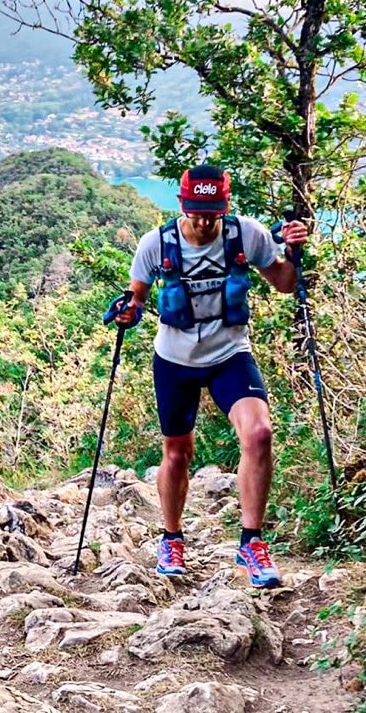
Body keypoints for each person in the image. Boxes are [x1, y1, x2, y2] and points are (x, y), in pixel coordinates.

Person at [113, 164, 308, 588]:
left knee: (258, 434)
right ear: (183, 204)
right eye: (197, 211)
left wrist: (293, 254)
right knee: (177, 452)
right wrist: (127, 312)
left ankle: (251, 543)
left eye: (213, 212)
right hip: (175, 359)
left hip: (229, 354)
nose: (204, 221)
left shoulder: (247, 235)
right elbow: (137, 298)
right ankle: (171, 538)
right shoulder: (156, 244)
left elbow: (284, 283)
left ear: (224, 206)